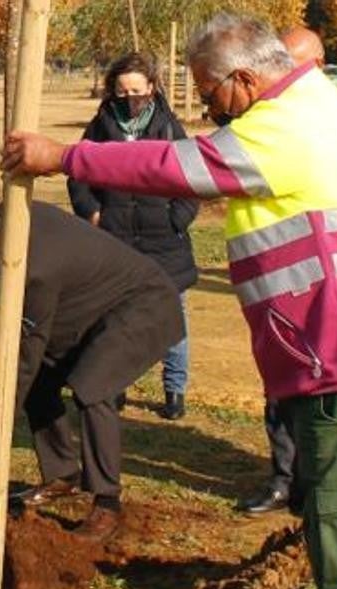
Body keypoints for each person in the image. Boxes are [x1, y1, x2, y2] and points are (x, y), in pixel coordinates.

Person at [1, 13, 337, 589]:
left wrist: (64, 157)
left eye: (209, 91)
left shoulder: (289, 124)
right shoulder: (315, 106)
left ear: (245, 78)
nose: (203, 106)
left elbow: (178, 166)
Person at [0, 198, 184, 543]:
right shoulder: (9, 224)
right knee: (38, 384)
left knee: (93, 387)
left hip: (142, 305)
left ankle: (106, 503)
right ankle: (62, 474)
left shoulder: (33, 269)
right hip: (87, 312)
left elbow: (23, 356)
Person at [67, 52, 200, 421]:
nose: (130, 97)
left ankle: (174, 390)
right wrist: (92, 213)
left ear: (152, 88)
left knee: (173, 319)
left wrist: (178, 219)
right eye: (122, 91)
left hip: (165, 241)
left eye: (137, 90)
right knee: (114, 319)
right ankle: (114, 383)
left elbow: (192, 179)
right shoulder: (99, 127)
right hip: (115, 239)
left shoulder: (170, 128)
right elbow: (78, 173)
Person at [237, 25, 323, 515]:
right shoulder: (266, 121)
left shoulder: (330, 119)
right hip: (276, 283)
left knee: (322, 391)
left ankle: (319, 482)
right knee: (280, 386)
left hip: (324, 283)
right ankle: (285, 477)